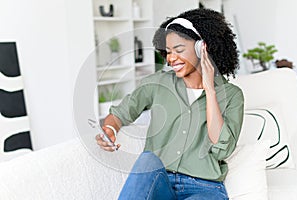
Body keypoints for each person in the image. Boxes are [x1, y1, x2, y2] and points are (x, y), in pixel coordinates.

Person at [95, 8, 244, 200]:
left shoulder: (232, 96)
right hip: (159, 181)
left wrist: (210, 90)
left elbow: (222, 147)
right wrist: (110, 130)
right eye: (168, 52)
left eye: (179, 50)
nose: (171, 58)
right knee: (147, 160)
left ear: (202, 47)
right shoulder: (157, 83)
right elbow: (120, 114)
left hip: (204, 188)